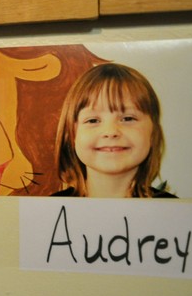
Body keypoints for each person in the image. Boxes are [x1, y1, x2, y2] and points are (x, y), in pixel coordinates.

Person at [52, 63, 176, 198]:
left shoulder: (174, 208)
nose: (110, 132)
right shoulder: (49, 207)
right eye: (93, 120)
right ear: (71, 135)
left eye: (128, 118)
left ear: (153, 133)